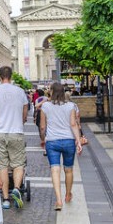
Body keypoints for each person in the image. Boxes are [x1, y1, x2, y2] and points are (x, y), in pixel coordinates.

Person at [0, 66, 29, 210]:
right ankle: (16, 188)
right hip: (16, 131)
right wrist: (19, 123)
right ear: (11, 76)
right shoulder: (20, 91)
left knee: (2, 166)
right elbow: (25, 113)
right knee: (18, 164)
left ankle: (5, 199)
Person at [40, 82, 83, 211]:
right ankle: (68, 194)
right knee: (68, 169)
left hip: (52, 141)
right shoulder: (71, 106)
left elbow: (42, 126)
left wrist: (43, 138)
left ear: (52, 91)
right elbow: (73, 124)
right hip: (69, 141)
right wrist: (78, 141)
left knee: (55, 170)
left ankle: (58, 200)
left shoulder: (45, 106)